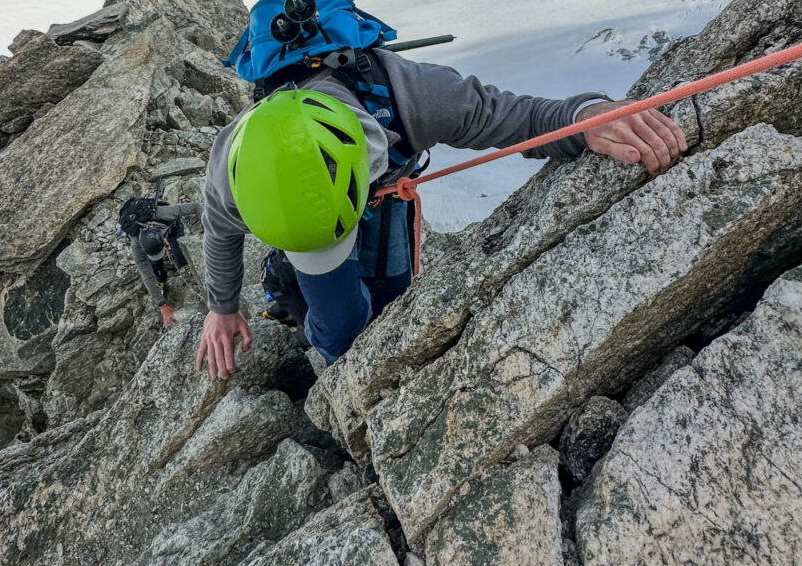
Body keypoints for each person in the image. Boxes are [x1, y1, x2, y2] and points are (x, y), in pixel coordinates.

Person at [194, 46, 686, 380]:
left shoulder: (412, 97)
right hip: (314, 212)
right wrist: (222, 307)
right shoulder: (229, 170)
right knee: (342, 336)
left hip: (383, 192)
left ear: (370, 154)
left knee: (392, 307)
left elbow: (513, 116)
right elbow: (219, 234)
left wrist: (586, 119)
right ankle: (288, 274)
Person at [125, 202, 202, 327]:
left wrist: (207, 228)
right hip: (157, 230)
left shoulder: (166, 213)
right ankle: (161, 280)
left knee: (180, 254)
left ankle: (187, 267)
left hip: (171, 226)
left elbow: (196, 207)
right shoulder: (136, 245)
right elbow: (146, 275)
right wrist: (162, 305)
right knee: (156, 268)